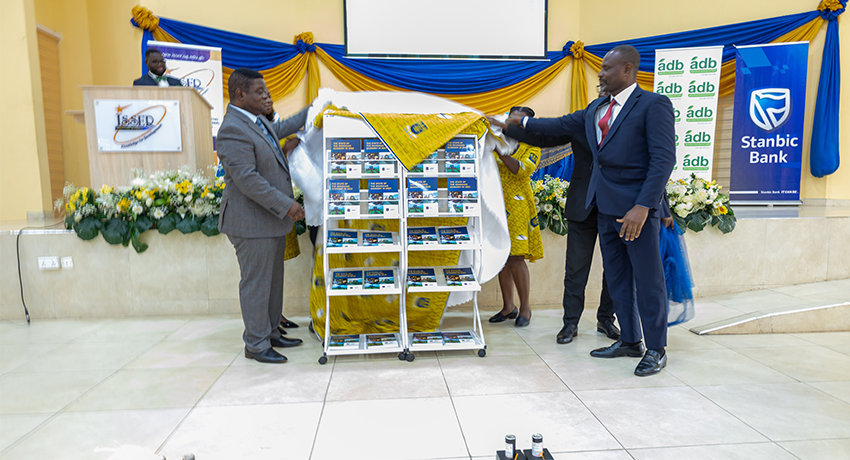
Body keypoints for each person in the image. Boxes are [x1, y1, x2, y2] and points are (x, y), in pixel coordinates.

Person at [506, 45, 675, 377]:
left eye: (607, 68)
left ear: (627, 70)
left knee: (648, 280)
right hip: (603, 208)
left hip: (636, 214)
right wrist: (510, 123)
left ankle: (656, 348)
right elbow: (552, 128)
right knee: (618, 279)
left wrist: (643, 207)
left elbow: (663, 160)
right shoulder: (596, 109)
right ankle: (630, 340)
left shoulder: (654, 105)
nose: (600, 73)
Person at [489, 96, 621, 344]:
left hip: (613, 206)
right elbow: (545, 134)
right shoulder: (581, 122)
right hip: (575, 206)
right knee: (573, 271)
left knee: (613, 269)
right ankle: (568, 324)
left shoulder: (627, 125)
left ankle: (605, 319)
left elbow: (522, 168)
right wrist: (501, 133)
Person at [217, 67, 309, 364]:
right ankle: (256, 344)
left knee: (272, 281)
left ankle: (271, 332)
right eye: (260, 92)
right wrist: (288, 205)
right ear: (240, 94)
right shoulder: (232, 128)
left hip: (269, 220)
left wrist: (317, 108)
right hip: (251, 222)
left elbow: (282, 129)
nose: (266, 96)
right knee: (257, 283)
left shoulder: (256, 121)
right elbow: (248, 180)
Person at [487, 106, 544, 327]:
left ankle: (526, 307)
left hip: (518, 205)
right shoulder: (496, 139)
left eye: (521, 122)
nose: (515, 125)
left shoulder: (533, 144)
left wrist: (498, 150)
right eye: (513, 120)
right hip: (495, 201)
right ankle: (508, 306)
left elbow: (520, 170)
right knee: (502, 258)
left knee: (516, 258)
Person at [262, 106, 303, 332]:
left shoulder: (274, 129)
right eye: (262, 96)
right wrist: (286, 149)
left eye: (269, 97)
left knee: (276, 269)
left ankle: (277, 316)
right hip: (269, 209)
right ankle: (269, 323)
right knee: (266, 270)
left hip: (282, 210)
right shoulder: (252, 130)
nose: (267, 101)